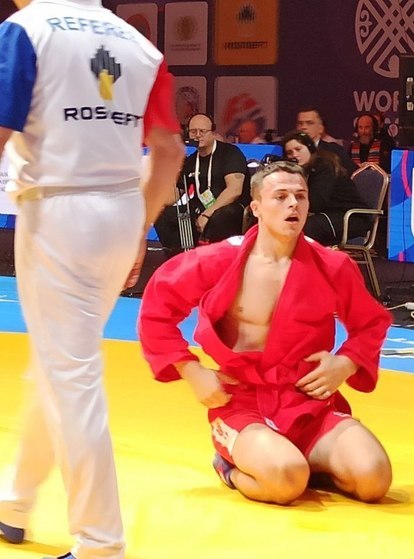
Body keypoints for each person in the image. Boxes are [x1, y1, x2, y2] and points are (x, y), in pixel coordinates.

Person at [0, 1, 184, 558]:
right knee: (59, 363)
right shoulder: (140, 45)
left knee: (71, 373)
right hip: (121, 210)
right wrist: (140, 228)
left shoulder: (27, 30)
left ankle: (101, 543)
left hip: (59, 211)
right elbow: (169, 150)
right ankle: (13, 503)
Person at [137, 161, 393, 505]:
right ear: (256, 208)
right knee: (285, 481)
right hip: (241, 401)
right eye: (281, 196)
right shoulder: (219, 260)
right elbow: (157, 306)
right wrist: (190, 369)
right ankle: (230, 466)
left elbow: (371, 322)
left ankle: (305, 461)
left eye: (301, 196)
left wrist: (346, 363)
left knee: (373, 479)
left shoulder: (332, 265)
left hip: (309, 402)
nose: (293, 204)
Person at [154, 113, 248, 251]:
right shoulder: (191, 160)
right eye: (193, 131)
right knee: (162, 214)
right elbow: (176, 193)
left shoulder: (230, 153)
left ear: (213, 133)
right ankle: (179, 255)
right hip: (200, 209)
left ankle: (218, 257)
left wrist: (207, 214)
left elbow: (234, 190)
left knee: (221, 216)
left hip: (228, 208)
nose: (198, 135)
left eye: (202, 131)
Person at [282, 130, 368, 246]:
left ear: (310, 148)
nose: (294, 155)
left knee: (305, 227)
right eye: (290, 152)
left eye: (298, 149)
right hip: (328, 213)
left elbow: (317, 202)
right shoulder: (303, 170)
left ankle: (307, 257)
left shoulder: (324, 165)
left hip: (350, 217)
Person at [296, 107, 358, 175]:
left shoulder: (334, 151)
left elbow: (355, 174)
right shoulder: (290, 153)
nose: (303, 127)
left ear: (321, 128)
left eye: (309, 123)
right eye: (300, 123)